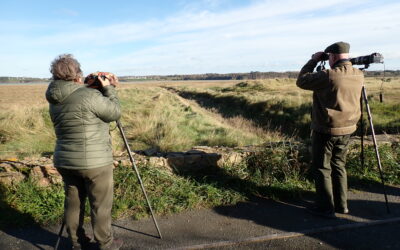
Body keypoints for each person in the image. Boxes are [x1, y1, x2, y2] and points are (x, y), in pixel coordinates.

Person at [46, 54, 123, 249]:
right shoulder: (89, 95)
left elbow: (77, 102)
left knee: (74, 203)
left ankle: (76, 242)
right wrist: (108, 88)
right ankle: (106, 244)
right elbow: (114, 112)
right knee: (100, 205)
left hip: (65, 160)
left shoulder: (54, 97)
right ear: (77, 74)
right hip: (95, 163)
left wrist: (89, 85)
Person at [296, 42, 364, 218]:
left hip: (326, 130)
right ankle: (342, 205)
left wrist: (313, 60)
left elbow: (301, 81)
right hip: (348, 128)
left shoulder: (328, 75)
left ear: (332, 57)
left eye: (329, 57)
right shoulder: (359, 74)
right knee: (339, 165)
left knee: (322, 168)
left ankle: (325, 207)